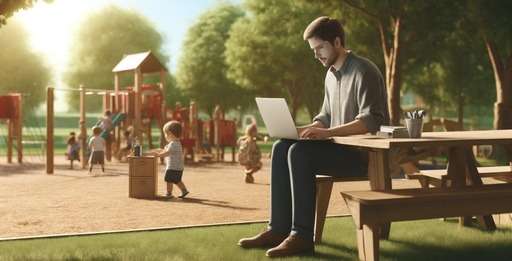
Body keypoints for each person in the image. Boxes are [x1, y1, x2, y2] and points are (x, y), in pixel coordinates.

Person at [238, 16, 389, 257]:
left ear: (337, 42)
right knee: (281, 146)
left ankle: (301, 236)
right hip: (336, 150)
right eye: (313, 49)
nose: (316, 54)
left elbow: (371, 121)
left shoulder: (364, 70)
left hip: (361, 155)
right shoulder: (330, 75)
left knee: (300, 154)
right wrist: (303, 130)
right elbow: (326, 116)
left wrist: (326, 133)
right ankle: (277, 229)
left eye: (320, 48)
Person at [149, 121, 189, 198]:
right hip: (178, 167)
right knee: (177, 180)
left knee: (168, 179)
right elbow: (165, 150)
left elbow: (167, 152)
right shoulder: (176, 143)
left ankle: (169, 193)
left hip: (173, 167)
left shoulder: (174, 144)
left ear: (170, 134)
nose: (165, 136)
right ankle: (184, 190)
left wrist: (158, 155)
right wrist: (157, 150)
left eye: (166, 134)